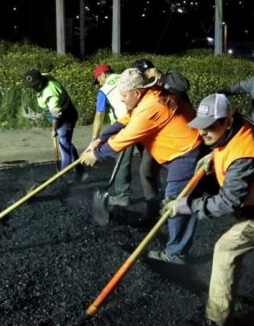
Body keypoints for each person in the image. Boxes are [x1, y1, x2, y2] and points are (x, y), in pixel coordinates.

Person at [163, 93, 254, 326]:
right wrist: (213, 154)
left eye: (209, 127)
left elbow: (226, 202)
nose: (202, 133)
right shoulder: (240, 126)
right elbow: (231, 143)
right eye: (201, 127)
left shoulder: (244, 157)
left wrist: (186, 206)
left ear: (227, 121)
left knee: (226, 249)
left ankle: (216, 319)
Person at [81, 68, 205, 264]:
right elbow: (125, 120)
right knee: (157, 182)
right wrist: (99, 139)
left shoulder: (151, 106)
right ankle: (154, 217)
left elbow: (126, 137)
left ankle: (176, 255)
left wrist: (96, 154)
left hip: (185, 153)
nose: (121, 99)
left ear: (136, 92)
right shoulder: (147, 96)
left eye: (123, 95)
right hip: (176, 149)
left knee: (177, 203)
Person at [23, 69, 85, 179]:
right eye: (32, 86)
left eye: (36, 85)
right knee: (67, 144)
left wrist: (53, 129)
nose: (34, 88)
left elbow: (56, 115)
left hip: (65, 118)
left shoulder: (51, 92)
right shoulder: (44, 77)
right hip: (58, 114)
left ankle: (62, 176)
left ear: (41, 80)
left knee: (64, 147)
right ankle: (80, 171)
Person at [90, 63, 133, 208]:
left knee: (121, 161)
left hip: (125, 125)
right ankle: (156, 195)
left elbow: (99, 116)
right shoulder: (125, 77)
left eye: (98, 80)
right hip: (142, 118)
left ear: (103, 75)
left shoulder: (104, 90)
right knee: (150, 160)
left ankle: (123, 196)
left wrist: (94, 139)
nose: (98, 84)